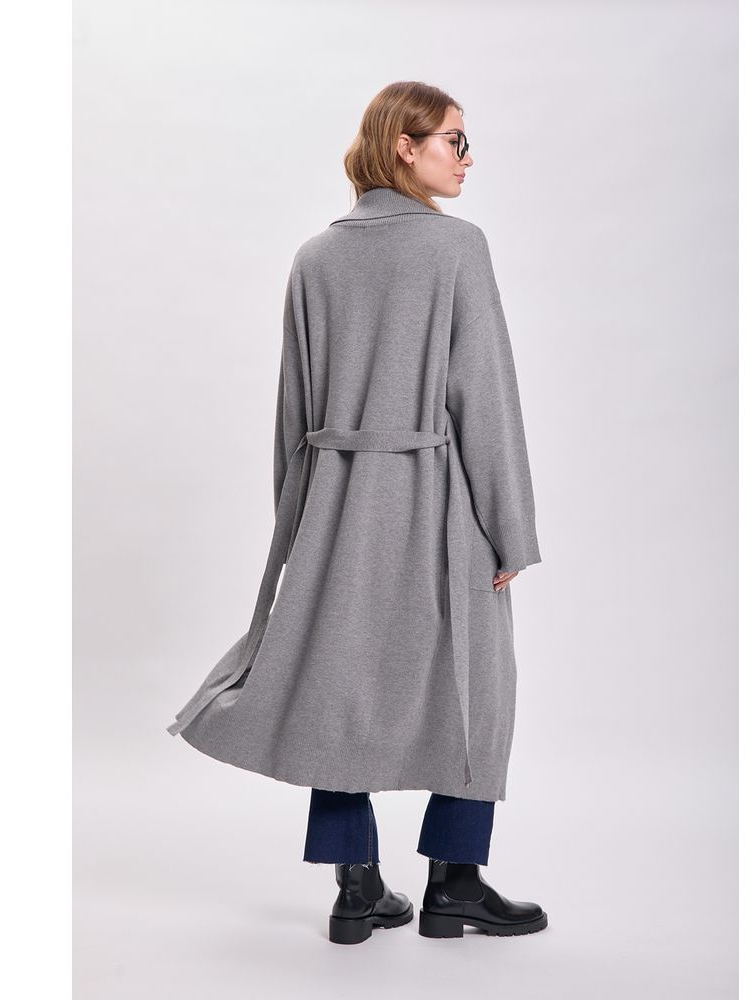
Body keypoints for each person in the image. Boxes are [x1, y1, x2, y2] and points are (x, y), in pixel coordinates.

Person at [165, 81, 546, 944]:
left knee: (335, 689)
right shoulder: (458, 249)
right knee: (475, 688)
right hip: (441, 503)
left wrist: (299, 525)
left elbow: (293, 415)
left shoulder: (315, 257)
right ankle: (455, 883)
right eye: (454, 139)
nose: (467, 156)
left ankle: (355, 888)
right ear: (406, 146)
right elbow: (484, 398)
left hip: (334, 508)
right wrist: (511, 531)